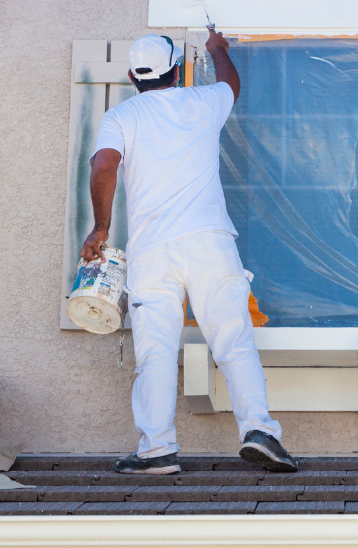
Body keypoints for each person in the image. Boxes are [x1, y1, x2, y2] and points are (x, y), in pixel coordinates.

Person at [81, 29, 297, 475]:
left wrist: (100, 228)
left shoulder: (120, 116)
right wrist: (218, 50)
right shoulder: (202, 102)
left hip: (153, 252)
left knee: (156, 352)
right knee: (234, 342)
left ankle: (156, 450)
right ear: (176, 71)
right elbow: (230, 85)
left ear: (130, 77)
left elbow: (104, 165)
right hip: (210, 244)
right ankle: (260, 431)